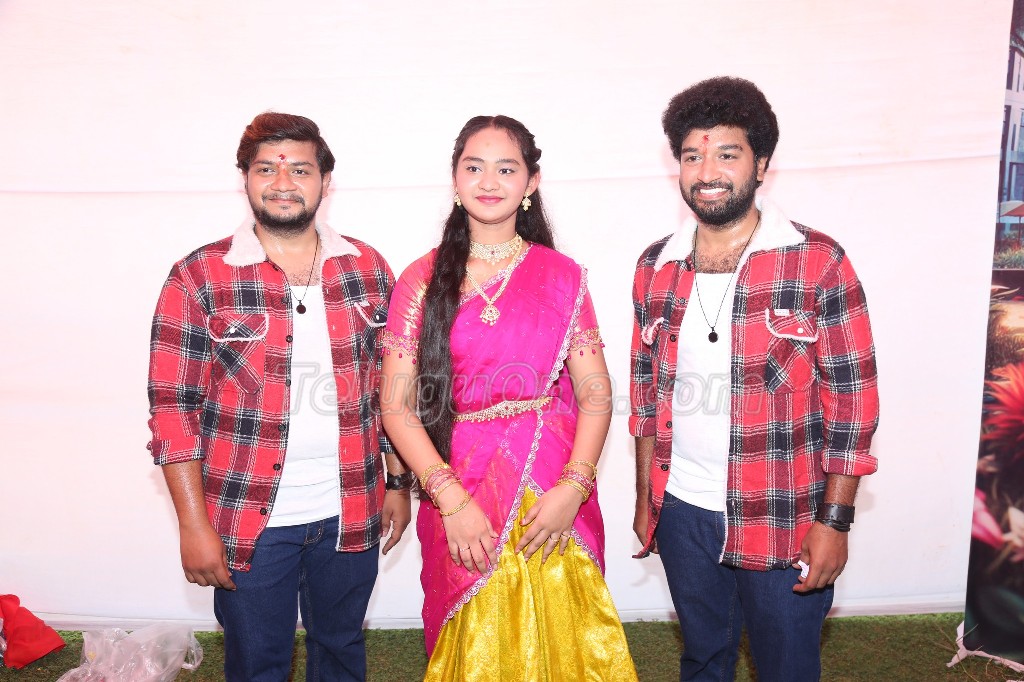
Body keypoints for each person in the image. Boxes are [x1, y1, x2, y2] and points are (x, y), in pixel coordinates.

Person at [147, 112, 412, 681]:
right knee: (258, 664)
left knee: (341, 649)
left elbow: (390, 389)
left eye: (300, 169)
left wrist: (397, 482)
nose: (283, 183)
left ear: (325, 181)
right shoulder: (199, 276)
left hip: (350, 506)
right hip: (245, 518)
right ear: (245, 178)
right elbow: (172, 410)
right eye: (266, 168)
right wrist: (193, 526)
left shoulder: (367, 268)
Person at [630, 77, 880, 681]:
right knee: (703, 660)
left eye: (727, 154)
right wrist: (646, 500)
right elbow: (645, 395)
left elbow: (854, 404)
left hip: (784, 513)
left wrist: (835, 521)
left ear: (761, 164)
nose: (707, 172)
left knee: (786, 667)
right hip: (683, 511)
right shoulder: (655, 266)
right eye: (693, 156)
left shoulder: (817, 261)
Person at [380, 115, 638, 680]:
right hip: (459, 477)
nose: (489, 181)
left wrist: (575, 485)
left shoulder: (563, 276)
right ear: (455, 179)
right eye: (474, 167)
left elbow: (595, 392)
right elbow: (396, 406)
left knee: (565, 630)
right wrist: (450, 500)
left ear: (531, 182)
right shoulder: (421, 279)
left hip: (550, 475)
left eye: (506, 168)